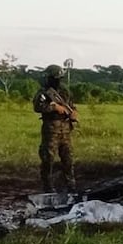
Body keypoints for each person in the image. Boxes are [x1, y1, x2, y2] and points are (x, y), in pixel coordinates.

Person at [33, 64, 78, 192]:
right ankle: (48, 187)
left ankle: (71, 186)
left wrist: (74, 112)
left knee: (68, 159)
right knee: (48, 159)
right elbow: (37, 107)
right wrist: (54, 108)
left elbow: (71, 105)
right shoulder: (44, 92)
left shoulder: (64, 91)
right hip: (51, 129)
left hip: (66, 129)